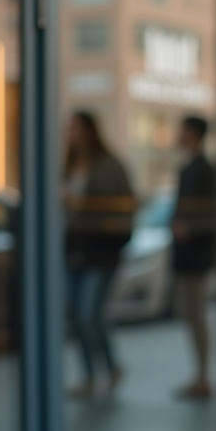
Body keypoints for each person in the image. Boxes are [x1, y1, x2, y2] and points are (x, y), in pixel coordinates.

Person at [63, 111, 134, 397]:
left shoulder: (109, 165)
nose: (71, 133)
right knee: (79, 316)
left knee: (88, 314)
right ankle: (92, 377)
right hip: (74, 250)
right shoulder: (68, 166)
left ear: (90, 131)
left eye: (76, 128)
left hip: (101, 252)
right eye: (69, 128)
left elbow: (122, 208)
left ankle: (110, 367)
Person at [171, 115, 216, 399]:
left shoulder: (203, 169)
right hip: (187, 253)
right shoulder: (189, 166)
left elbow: (211, 213)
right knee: (189, 313)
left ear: (191, 133)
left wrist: (189, 227)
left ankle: (203, 377)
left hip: (196, 253)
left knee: (196, 314)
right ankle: (200, 375)